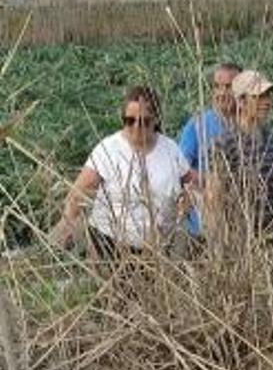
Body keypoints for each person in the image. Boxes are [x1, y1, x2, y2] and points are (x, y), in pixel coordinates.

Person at [49, 86, 196, 259]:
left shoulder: (170, 149)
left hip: (160, 250)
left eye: (144, 121)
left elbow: (191, 183)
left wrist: (189, 200)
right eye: (129, 120)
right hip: (110, 247)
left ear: (156, 120)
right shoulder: (107, 149)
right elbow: (77, 196)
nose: (136, 127)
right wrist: (61, 236)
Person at [204, 70, 273, 278]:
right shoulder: (226, 144)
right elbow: (213, 198)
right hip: (243, 242)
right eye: (260, 96)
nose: (267, 102)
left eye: (269, 95)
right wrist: (221, 247)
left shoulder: (271, 139)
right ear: (242, 101)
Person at [178, 62, 241, 238]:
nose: (221, 93)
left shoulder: (249, 126)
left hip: (241, 227)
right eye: (217, 87)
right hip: (203, 228)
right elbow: (179, 168)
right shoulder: (198, 125)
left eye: (228, 87)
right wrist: (211, 180)